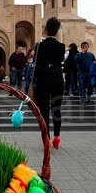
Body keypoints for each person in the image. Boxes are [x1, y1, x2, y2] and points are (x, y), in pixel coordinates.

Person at [33, 17, 65, 149]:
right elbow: (60, 60)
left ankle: (46, 139)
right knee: (56, 109)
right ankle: (57, 137)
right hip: (57, 79)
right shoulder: (61, 46)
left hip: (43, 80)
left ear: (46, 30)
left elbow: (36, 63)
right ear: (57, 31)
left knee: (44, 110)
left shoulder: (39, 45)